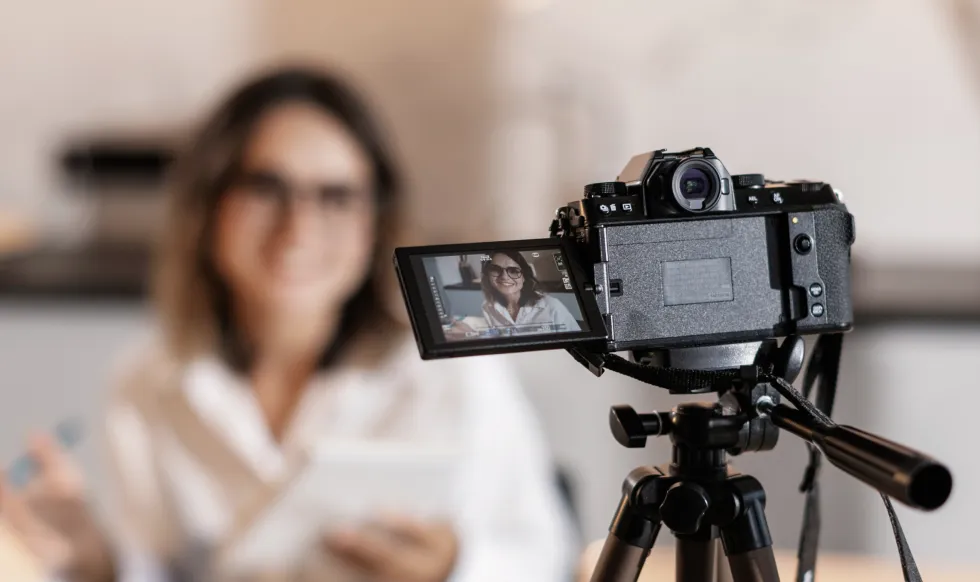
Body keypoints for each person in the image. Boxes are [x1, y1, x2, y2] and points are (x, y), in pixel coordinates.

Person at [0, 66, 576, 582]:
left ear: (376, 222)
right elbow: (155, 567)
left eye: (336, 196)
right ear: (208, 207)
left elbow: (544, 556)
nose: (298, 227)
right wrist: (89, 555)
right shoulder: (144, 385)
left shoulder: (458, 370)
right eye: (265, 188)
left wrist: (451, 567)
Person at [480, 251, 581, 334]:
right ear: (487, 275)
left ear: (524, 277)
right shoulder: (488, 307)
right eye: (495, 270)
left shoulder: (552, 306)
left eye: (513, 271)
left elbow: (577, 345)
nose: (504, 277)